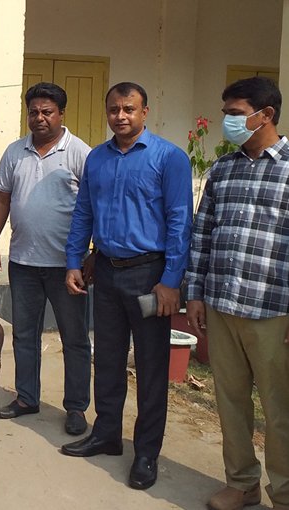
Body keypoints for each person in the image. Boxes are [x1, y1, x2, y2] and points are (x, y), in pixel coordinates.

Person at [62, 82, 192, 491]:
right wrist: (73, 262)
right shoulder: (97, 159)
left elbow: (179, 223)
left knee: (152, 367)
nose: (121, 116)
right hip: (107, 271)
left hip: (150, 274)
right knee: (110, 359)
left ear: (145, 111)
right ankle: (106, 434)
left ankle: (147, 452)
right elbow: (83, 212)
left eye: (129, 109)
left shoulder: (169, 158)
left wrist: (171, 281)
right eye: (114, 109)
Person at [185, 77, 289, 510]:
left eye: (234, 112)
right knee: (229, 401)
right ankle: (242, 482)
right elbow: (202, 235)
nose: (228, 120)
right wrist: (195, 293)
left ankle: (283, 492)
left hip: (273, 310)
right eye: (225, 112)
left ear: (265, 115)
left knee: (280, 410)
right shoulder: (223, 169)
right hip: (223, 305)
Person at [0, 83, 92, 436]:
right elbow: (1, 200)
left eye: (47, 112)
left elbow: (93, 207)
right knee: (25, 335)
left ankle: (76, 408)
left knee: (74, 337)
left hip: (67, 266)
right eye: (34, 112)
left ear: (61, 114)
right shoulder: (15, 152)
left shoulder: (79, 153)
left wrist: (87, 259)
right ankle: (27, 397)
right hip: (24, 263)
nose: (40, 118)